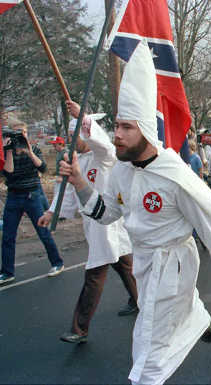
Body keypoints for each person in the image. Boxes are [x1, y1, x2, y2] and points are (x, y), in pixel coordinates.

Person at [58, 41, 211, 384]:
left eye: (125, 128)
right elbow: (107, 214)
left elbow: (209, 226)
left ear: (144, 130)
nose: (116, 135)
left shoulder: (174, 174)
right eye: (116, 126)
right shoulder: (121, 170)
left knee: (149, 344)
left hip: (174, 263)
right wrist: (79, 183)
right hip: (145, 263)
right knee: (185, 316)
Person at [39, 102, 138, 343]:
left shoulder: (102, 156)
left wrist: (84, 118)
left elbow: (104, 145)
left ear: (86, 133)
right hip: (93, 223)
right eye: (70, 136)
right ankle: (140, 301)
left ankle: (79, 328)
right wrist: (52, 212)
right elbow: (66, 191)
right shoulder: (75, 160)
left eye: (78, 135)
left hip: (108, 222)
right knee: (125, 265)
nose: (74, 140)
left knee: (95, 273)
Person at [0, 121, 64, 285]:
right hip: (14, 196)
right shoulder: (7, 152)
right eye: (16, 133)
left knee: (43, 232)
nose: (19, 136)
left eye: (22, 133)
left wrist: (28, 151)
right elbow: (9, 174)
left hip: (32, 195)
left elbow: (43, 168)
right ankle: (7, 272)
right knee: (8, 236)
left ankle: (57, 263)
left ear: (27, 134)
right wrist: (8, 150)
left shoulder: (34, 149)